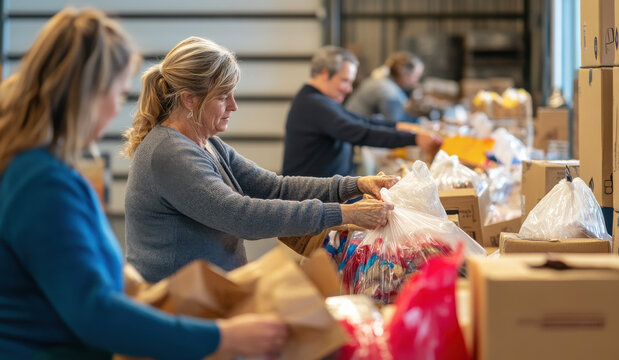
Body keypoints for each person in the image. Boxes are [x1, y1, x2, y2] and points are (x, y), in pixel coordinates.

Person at [0, 9, 288, 359]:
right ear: (90, 93)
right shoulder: (41, 182)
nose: (115, 109)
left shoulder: (35, 169)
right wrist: (220, 337)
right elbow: (94, 311)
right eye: (118, 94)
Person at [123, 37, 397, 283]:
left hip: (209, 295)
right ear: (189, 100)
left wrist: (356, 185)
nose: (233, 106)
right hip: (179, 307)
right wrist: (343, 213)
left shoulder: (208, 144)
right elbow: (241, 216)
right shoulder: (170, 152)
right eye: (222, 96)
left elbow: (275, 187)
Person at [281, 46, 442, 178]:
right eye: (345, 81)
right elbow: (360, 132)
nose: (349, 89)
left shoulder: (319, 100)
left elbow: (360, 121)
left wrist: (397, 126)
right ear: (324, 74)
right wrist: (414, 138)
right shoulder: (313, 105)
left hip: (330, 192)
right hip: (314, 201)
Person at [346, 51, 424, 124]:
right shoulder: (389, 91)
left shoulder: (382, 80)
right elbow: (396, 124)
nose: (416, 82)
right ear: (403, 72)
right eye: (416, 76)